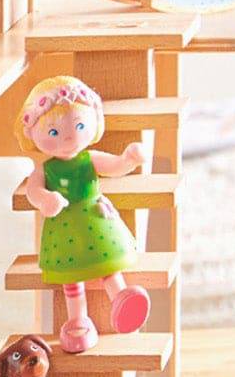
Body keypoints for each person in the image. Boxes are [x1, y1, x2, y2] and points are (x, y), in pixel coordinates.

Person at [16, 75, 152, 352]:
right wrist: (45, 199)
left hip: (96, 219)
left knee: (108, 263)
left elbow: (114, 166)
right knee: (72, 277)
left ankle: (122, 298)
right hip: (64, 227)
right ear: (32, 133)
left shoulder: (89, 158)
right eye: (54, 132)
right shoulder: (46, 169)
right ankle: (77, 320)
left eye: (79, 126)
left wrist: (128, 160)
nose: (69, 138)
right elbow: (33, 190)